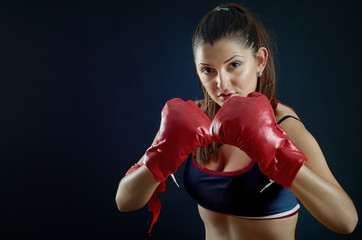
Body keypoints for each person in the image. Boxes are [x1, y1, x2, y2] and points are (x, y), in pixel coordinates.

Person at [115, 3, 358, 239]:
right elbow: (124, 201)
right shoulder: (191, 119)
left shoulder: (283, 126)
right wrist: (160, 157)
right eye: (208, 70)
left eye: (234, 65)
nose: (221, 84)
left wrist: (280, 157)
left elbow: (346, 221)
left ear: (260, 61)